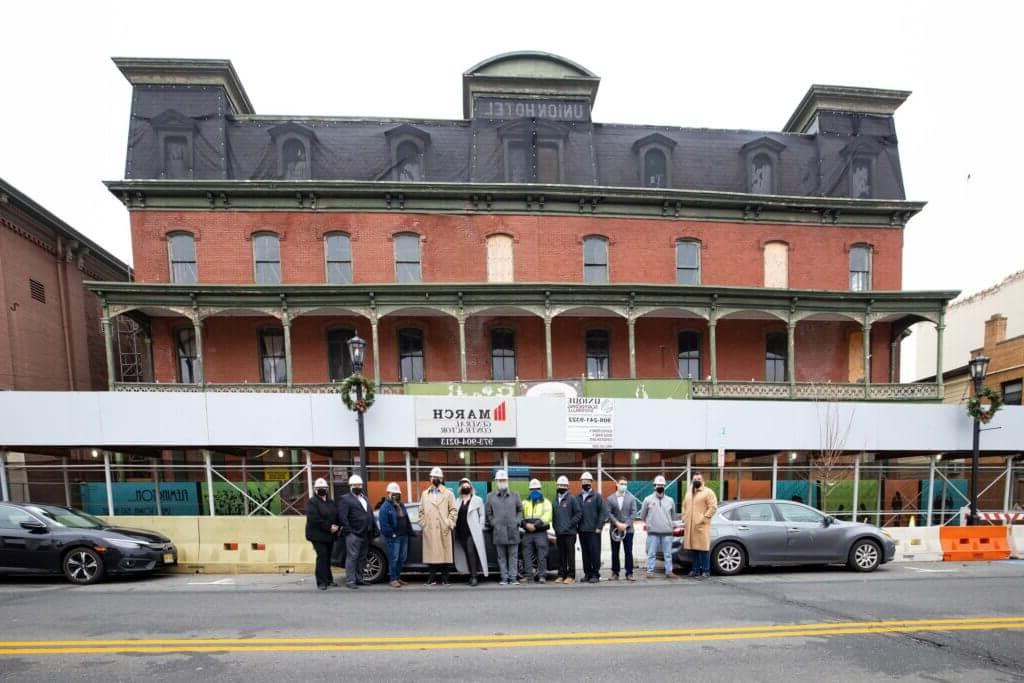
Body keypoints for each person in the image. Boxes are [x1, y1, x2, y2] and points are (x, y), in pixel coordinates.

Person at [336, 474, 378, 589]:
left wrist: (374, 527)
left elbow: (369, 513)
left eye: (359, 485)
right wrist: (349, 531)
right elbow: (343, 517)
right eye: (355, 485)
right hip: (353, 534)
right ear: (350, 486)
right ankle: (350, 581)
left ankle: (359, 579)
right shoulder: (345, 499)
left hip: (365, 533)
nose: (358, 487)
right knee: (352, 557)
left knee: (362, 558)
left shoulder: (364, 498)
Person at [419, 466, 457, 586]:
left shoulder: (448, 493)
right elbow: (421, 511)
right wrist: (423, 524)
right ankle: (432, 578)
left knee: (444, 554)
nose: (435, 479)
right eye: (433, 477)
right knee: (431, 554)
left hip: (443, 528)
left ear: (441, 479)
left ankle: (445, 578)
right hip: (430, 529)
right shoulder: (425, 494)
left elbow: (453, 510)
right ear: (430, 478)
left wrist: (449, 523)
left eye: (438, 477)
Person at [486, 469, 523, 586]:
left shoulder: (515, 495)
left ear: (507, 481)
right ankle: (504, 578)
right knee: (501, 557)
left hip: (513, 531)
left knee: (513, 556)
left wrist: (517, 521)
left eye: (504, 480)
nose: (502, 482)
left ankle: (513, 578)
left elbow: (520, 510)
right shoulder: (490, 496)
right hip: (499, 531)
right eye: (500, 480)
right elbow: (489, 514)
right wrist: (494, 523)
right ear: (496, 481)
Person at [305, 477, 339, 591]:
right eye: (319, 488)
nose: (322, 490)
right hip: (317, 535)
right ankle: (321, 582)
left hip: (329, 535)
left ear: (327, 489)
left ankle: (329, 579)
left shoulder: (330, 502)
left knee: (328, 557)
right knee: (322, 556)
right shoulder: (312, 502)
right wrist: (329, 527)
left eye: (324, 488)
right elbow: (314, 519)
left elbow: (335, 515)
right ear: (315, 489)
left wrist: (336, 526)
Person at [453, 477, 488, 586]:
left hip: (473, 532)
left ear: (470, 487)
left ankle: (474, 577)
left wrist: (481, 526)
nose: (465, 487)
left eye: (467, 485)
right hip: (460, 532)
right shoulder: (458, 501)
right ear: (460, 488)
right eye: (463, 486)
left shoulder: (477, 500)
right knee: (467, 554)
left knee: (471, 552)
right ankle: (470, 574)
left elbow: (482, 514)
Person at [683, 472, 718, 578]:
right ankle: (695, 570)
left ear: (703, 481)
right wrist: (684, 517)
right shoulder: (689, 493)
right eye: (695, 479)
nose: (696, 481)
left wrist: (704, 518)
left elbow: (713, 507)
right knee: (694, 549)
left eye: (698, 479)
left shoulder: (708, 492)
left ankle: (706, 571)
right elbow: (684, 506)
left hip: (702, 526)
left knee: (703, 549)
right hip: (691, 526)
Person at [641, 475, 676, 579]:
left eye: (662, 485)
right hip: (653, 532)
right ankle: (650, 571)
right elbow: (643, 515)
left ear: (665, 486)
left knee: (668, 554)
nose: (660, 487)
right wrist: (649, 523)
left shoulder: (670, 500)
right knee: (651, 553)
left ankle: (669, 571)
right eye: (658, 485)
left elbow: (673, 516)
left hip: (667, 533)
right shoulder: (647, 500)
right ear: (654, 486)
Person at [378, 482, 412, 588]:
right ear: (388, 493)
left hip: (403, 536)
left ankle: (397, 577)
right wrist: (392, 534)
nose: (396, 495)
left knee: (402, 558)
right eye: (394, 493)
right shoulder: (385, 507)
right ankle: (393, 579)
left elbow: (405, 518)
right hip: (394, 537)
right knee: (394, 558)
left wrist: (408, 531)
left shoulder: (401, 505)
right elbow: (384, 524)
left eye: (398, 493)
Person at [577, 471, 608, 584]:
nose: (585, 482)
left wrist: (599, 526)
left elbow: (604, 513)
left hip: (594, 531)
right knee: (585, 553)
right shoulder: (578, 498)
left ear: (591, 482)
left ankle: (595, 574)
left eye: (587, 481)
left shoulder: (597, 497)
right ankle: (587, 574)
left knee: (595, 553)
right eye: (583, 481)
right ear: (581, 482)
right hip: (582, 531)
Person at [521, 479, 552, 584]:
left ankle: (542, 576)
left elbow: (548, 516)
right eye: (533, 489)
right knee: (527, 555)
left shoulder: (546, 502)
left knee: (542, 555)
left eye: (537, 489)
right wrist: (525, 525)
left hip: (540, 531)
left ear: (540, 489)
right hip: (528, 532)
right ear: (529, 490)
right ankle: (529, 577)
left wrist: (535, 525)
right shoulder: (524, 502)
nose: (535, 491)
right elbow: (520, 516)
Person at [552, 475, 581, 584]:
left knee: (570, 555)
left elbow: (578, 514)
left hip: (570, 533)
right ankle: (561, 574)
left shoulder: (572, 499)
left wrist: (569, 525)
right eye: (560, 485)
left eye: (564, 485)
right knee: (561, 555)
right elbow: (554, 516)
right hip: (559, 533)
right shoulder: (555, 500)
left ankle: (571, 576)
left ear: (567, 487)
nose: (561, 487)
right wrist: (556, 528)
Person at [607, 477, 638, 581]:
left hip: (628, 530)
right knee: (615, 552)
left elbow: (634, 513)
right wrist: (616, 523)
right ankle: (615, 573)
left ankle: (629, 573)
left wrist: (626, 525)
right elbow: (609, 512)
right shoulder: (610, 498)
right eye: (621, 483)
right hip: (614, 530)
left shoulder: (631, 498)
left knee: (628, 551)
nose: (623, 485)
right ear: (617, 484)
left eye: (625, 484)